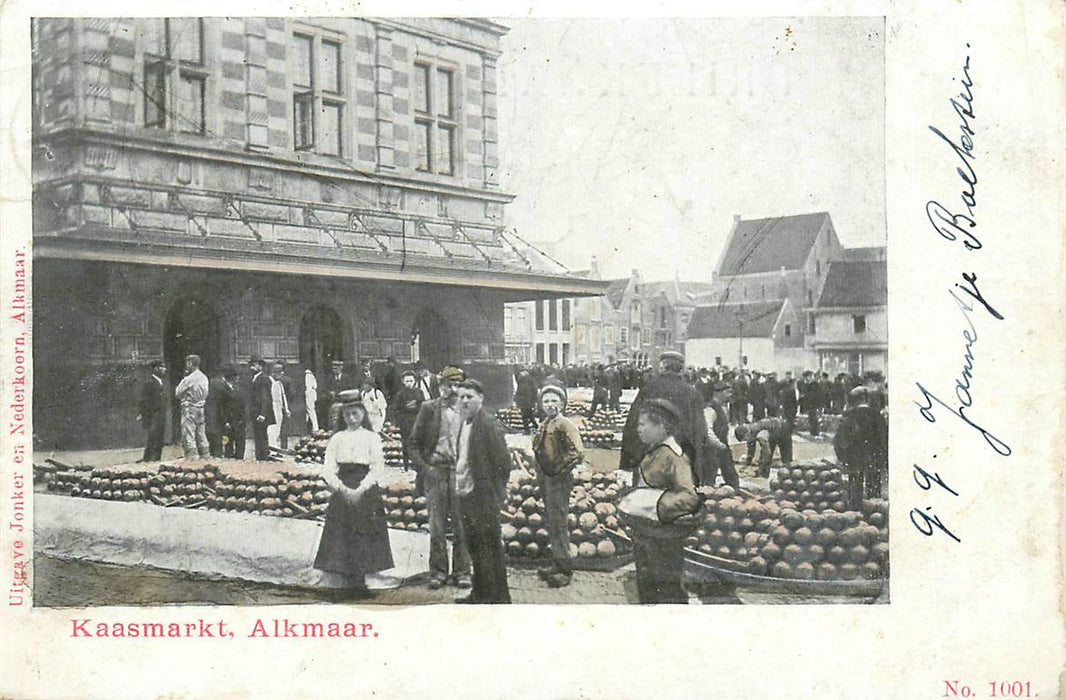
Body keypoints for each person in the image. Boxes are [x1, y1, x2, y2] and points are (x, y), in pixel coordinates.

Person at [617, 399, 701, 604]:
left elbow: (688, 496)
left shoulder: (674, 456)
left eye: (643, 424)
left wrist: (652, 505)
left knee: (667, 587)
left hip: (664, 536)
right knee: (646, 584)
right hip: (646, 532)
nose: (638, 429)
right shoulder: (654, 451)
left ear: (662, 426)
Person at [313, 391, 394, 599]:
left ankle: (361, 583)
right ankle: (343, 585)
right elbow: (328, 468)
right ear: (343, 416)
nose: (351, 418)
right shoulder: (337, 439)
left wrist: (361, 489)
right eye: (347, 414)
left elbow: (377, 467)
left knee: (364, 534)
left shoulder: (372, 437)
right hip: (343, 487)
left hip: (365, 489)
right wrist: (341, 488)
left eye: (355, 413)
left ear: (362, 414)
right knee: (341, 536)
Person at [407, 366, 471, 590]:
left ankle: (462, 571)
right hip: (435, 472)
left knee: (462, 524)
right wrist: (425, 468)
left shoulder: (468, 410)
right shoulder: (428, 409)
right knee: (437, 525)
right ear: (439, 386)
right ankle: (438, 571)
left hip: (459, 473)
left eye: (455, 385)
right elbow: (413, 443)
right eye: (446, 385)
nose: (451, 389)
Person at [454, 378, 514, 604]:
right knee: (475, 547)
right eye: (462, 397)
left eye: (470, 396)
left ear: (481, 398)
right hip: (466, 493)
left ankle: (498, 598)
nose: (465, 400)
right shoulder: (464, 422)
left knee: (490, 548)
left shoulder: (488, 424)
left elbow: (504, 463)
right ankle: (479, 592)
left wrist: (493, 493)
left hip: (484, 497)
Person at [620, 350, 708, 486]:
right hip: (681, 456)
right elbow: (700, 430)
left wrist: (627, 461)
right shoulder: (692, 392)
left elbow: (633, 424)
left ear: (663, 367)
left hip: (649, 455)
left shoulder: (649, 388)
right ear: (681, 369)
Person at [531, 381, 584, 588]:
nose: (550, 404)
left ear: (562, 403)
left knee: (559, 523)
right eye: (546, 400)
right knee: (552, 521)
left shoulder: (564, 424)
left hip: (558, 480)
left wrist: (558, 469)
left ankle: (564, 568)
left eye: (555, 400)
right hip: (546, 479)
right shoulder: (546, 423)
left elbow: (577, 452)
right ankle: (556, 562)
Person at [834, 387, 889, 509]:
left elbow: (840, 440)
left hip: (854, 459)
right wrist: (883, 459)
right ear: (867, 399)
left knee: (854, 486)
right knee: (874, 487)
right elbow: (884, 439)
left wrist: (842, 457)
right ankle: (874, 512)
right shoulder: (877, 417)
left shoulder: (848, 417)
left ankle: (855, 511)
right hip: (873, 458)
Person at [174, 354, 210, 459]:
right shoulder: (204, 377)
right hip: (201, 407)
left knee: (188, 433)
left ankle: (192, 458)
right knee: (201, 433)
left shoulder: (189, 379)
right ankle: (205, 456)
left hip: (189, 408)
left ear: (190, 363)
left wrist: (184, 379)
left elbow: (177, 392)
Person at [704, 382, 739, 488]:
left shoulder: (723, 408)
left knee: (732, 478)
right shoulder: (710, 410)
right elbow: (708, 432)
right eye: (727, 392)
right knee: (708, 480)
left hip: (722, 447)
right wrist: (719, 445)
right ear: (718, 393)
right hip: (712, 449)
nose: (730, 395)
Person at [388, 371, 424, 470]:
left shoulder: (419, 392)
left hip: (417, 421)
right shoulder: (400, 394)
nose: (409, 383)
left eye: (411, 381)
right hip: (405, 422)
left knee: (418, 443)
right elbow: (396, 409)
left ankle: (417, 463)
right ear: (403, 382)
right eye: (407, 381)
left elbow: (423, 406)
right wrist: (400, 421)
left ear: (414, 381)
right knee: (406, 443)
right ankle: (406, 464)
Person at [137, 360, 167, 462]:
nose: (164, 369)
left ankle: (157, 459)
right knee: (153, 438)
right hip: (153, 415)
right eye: (162, 367)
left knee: (159, 439)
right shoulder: (150, 383)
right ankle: (149, 459)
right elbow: (144, 400)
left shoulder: (162, 382)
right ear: (156, 369)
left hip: (160, 415)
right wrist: (144, 414)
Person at [249, 357, 275, 461]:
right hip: (256, 412)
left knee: (261, 436)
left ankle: (263, 457)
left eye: (254, 365)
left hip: (261, 413)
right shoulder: (255, 377)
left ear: (260, 366)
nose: (252, 367)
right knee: (258, 435)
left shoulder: (263, 378)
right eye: (251, 365)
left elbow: (266, 398)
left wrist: (263, 414)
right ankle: (260, 457)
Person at [218, 365, 245, 459]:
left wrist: (243, 418)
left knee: (240, 441)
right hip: (228, 419)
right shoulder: (223, 389)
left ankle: (239, 458)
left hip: (239, 420)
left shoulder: (240, 388)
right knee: (228, 441)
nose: (237, 378)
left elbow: (243, 405)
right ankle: (229, 458)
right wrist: (225, 421)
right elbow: (221, 407)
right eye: (235, 376)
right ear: (230, 377)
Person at [267, 363, 290, 449]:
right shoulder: (269, 382)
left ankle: (274, 447)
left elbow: (283, 396)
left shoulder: (279, 383)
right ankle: (272, 447)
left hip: (279, 409)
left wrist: (286, 408)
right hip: (273, 409)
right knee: (272, 429)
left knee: (278, 429)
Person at [204, 368, 226, 458]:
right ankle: (218, 454)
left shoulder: (211, 382)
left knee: (212, 433)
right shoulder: (220, 383)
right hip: (218, 411)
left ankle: (213, 453)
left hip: (211, 411)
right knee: (217, 434)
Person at [304, 367, 319, 433]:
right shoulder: (312, 375)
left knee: (310, 410)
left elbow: (308, 387)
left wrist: (305, 394)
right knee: (308, 411)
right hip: (312, 394)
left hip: (309, 395)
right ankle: (306, 426)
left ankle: (315, 427)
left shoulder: (308, 376)